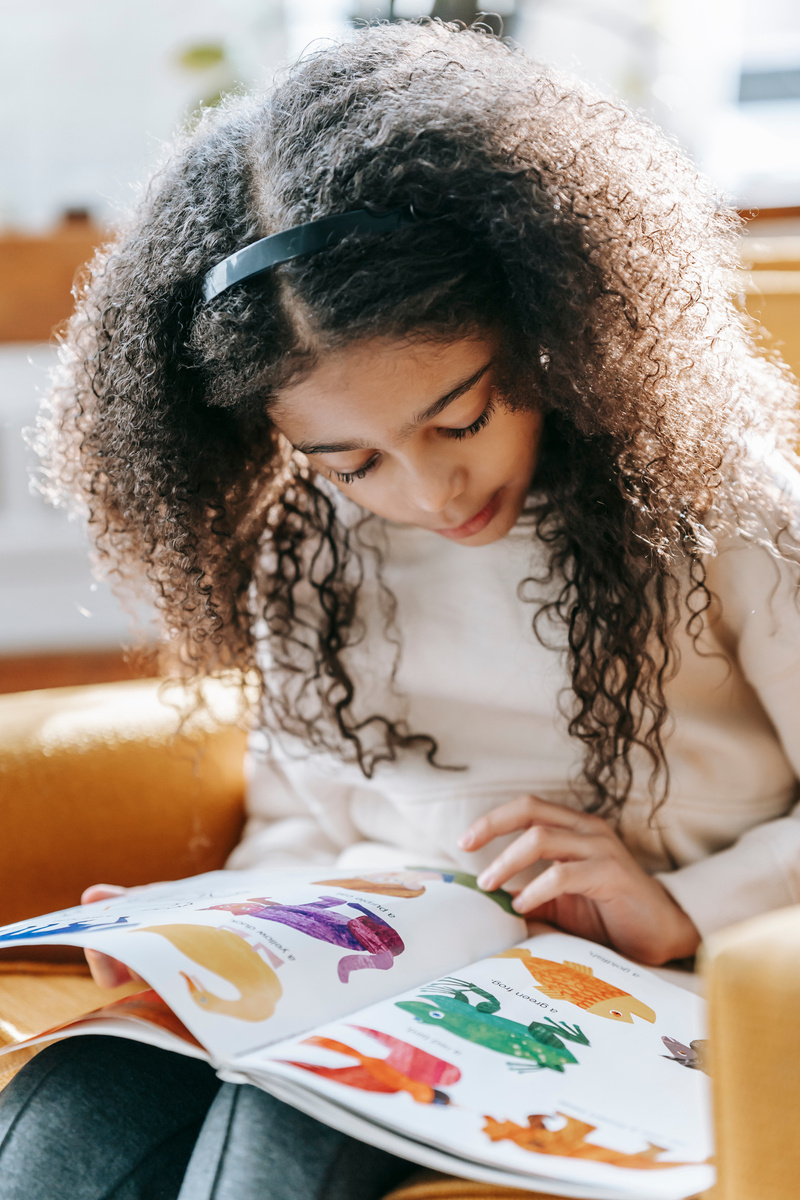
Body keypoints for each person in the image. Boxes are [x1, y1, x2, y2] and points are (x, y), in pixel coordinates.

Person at [3, 17, 800, 1199]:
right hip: (383, 957)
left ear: (542, 326)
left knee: (283, 1128)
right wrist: (211, 927)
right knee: (63, 1106)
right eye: (350, 461)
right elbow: (300, 819)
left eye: (458, 420)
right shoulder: (304, 539)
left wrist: (680, 904)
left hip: (656, 986)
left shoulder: (719, 502)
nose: (427, 493)